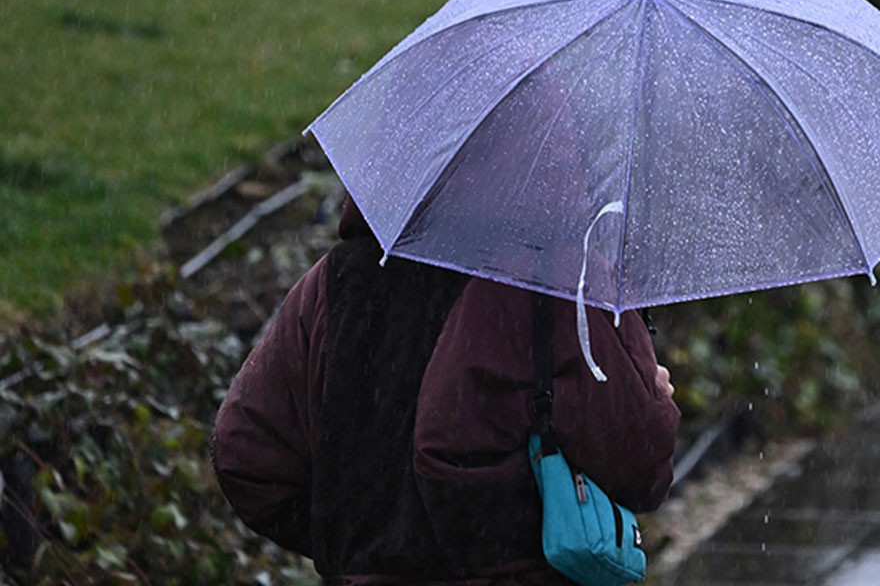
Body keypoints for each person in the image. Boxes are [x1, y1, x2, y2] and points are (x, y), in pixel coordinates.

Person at [211, 198, 680, 586]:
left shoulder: (340, 281)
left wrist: (358, 545)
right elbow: (641, 463)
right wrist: (651, 395)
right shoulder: (557, 283)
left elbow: (246, 453)